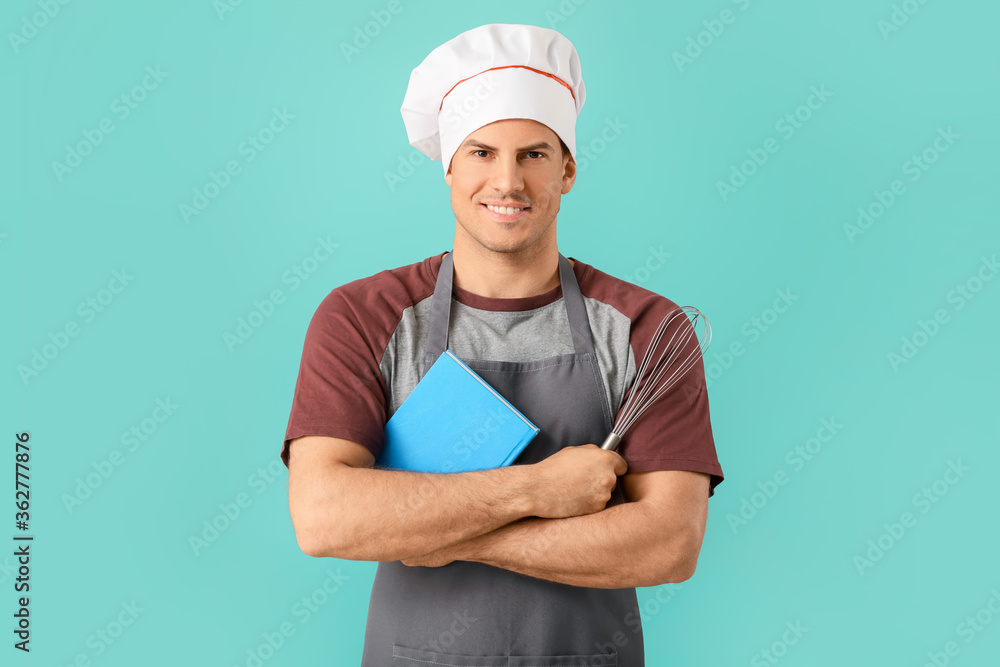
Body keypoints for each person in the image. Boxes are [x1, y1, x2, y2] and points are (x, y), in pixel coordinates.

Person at [281, 23, 724, 667]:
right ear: (450, 167)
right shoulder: (363, 317)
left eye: (534, 155)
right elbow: (324, 517)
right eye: (482, 153)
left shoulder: (645, 328)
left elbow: (668, 544)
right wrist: (535, 491)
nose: (508, 182)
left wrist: (444, 535)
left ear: (567, 169)